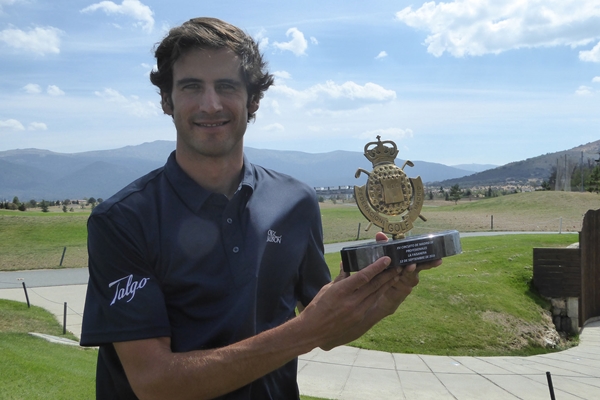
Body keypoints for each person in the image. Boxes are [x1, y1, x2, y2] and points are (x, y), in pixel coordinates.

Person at [80, 17, 441, 400]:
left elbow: (326, 331)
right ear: (167, 100)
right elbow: (154, 383)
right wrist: (306, 330)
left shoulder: (296, 200)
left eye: (226, 86)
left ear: (253, 99)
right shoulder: (121, 220)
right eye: (191, 86)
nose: (210, 104)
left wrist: (380, 301)